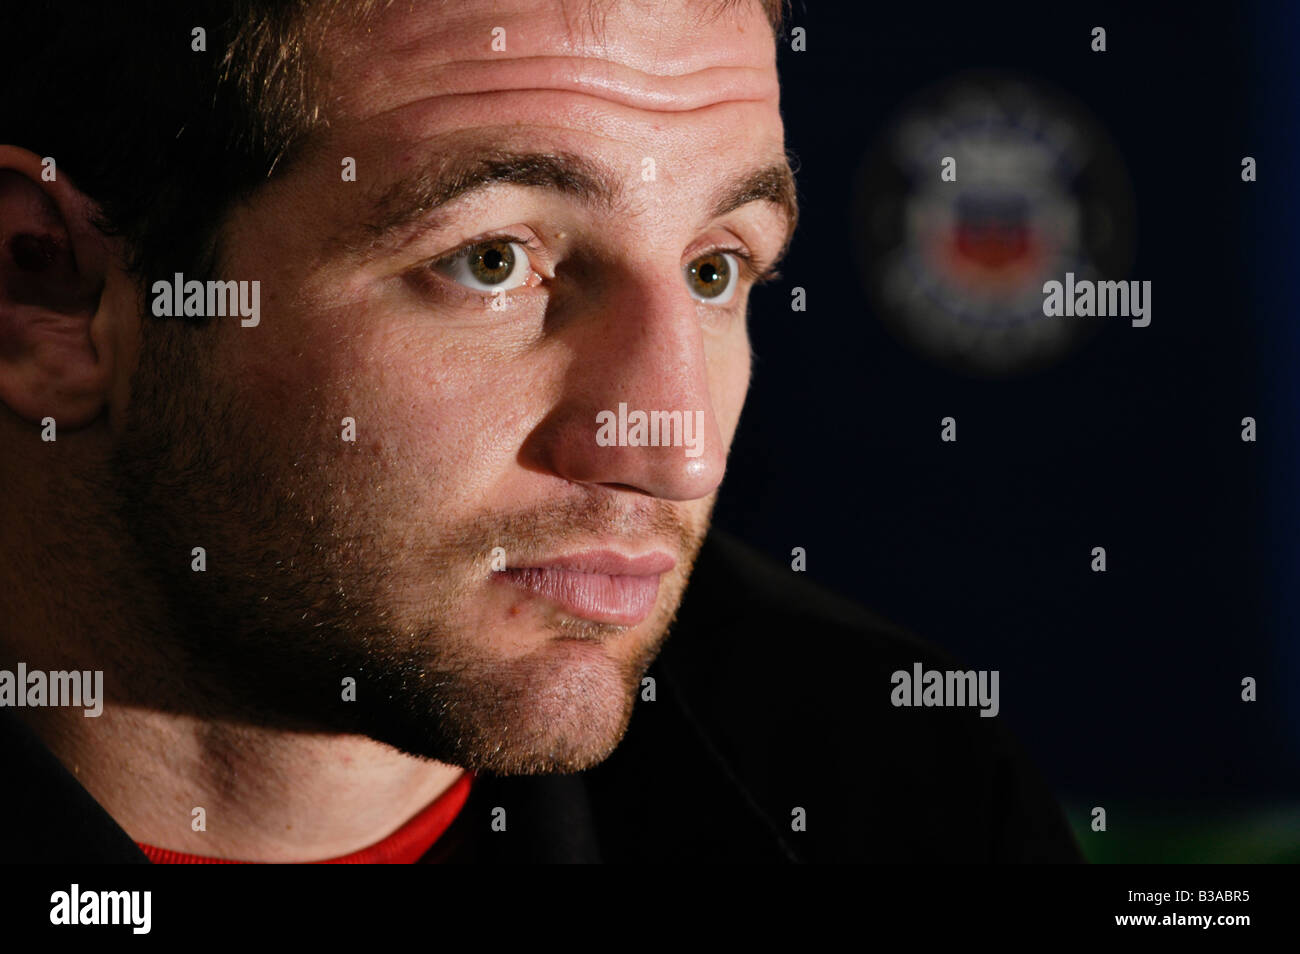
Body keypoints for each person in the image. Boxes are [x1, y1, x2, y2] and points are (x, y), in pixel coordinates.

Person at [0, 0, 1081, 862]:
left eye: (716, 268)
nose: (674, 451)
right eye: (492, 262)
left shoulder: (895, 789)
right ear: (46, 296)